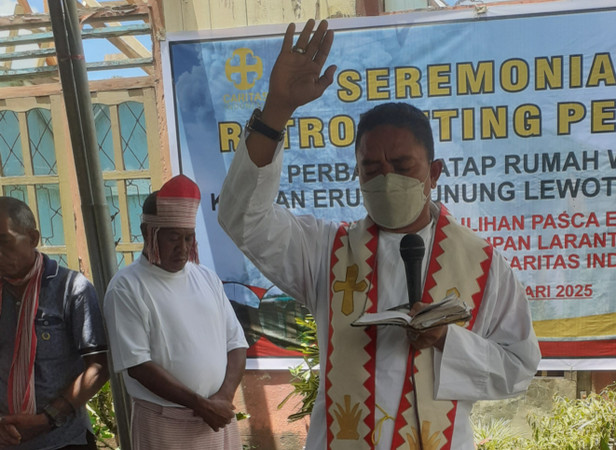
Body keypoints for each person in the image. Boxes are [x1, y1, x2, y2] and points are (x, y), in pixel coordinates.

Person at [218, 19, 540, 450]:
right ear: (357, 175)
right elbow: (242, 217)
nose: (386, 178)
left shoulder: (482, 263)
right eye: (372, 168)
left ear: (435, 173)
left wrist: (447, 340)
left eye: (403, 166)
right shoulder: (326, 251)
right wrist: (277, 108)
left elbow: (518, 366)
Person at [103, 175, 248, 450]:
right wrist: (200, 404)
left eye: (189, 237)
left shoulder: (206, 278)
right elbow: (138, 367)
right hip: (165, 424)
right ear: (148, 233)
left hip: (217, 418)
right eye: (173, 238)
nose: (183, 248)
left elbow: (236, 343)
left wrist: (222, 398)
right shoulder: (126, 288)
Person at [0, 197, 109, 450]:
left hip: (63, 441)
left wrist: (46, 419)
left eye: (4, 241)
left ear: (33, 238)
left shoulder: (71, 290)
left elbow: (98, 368)